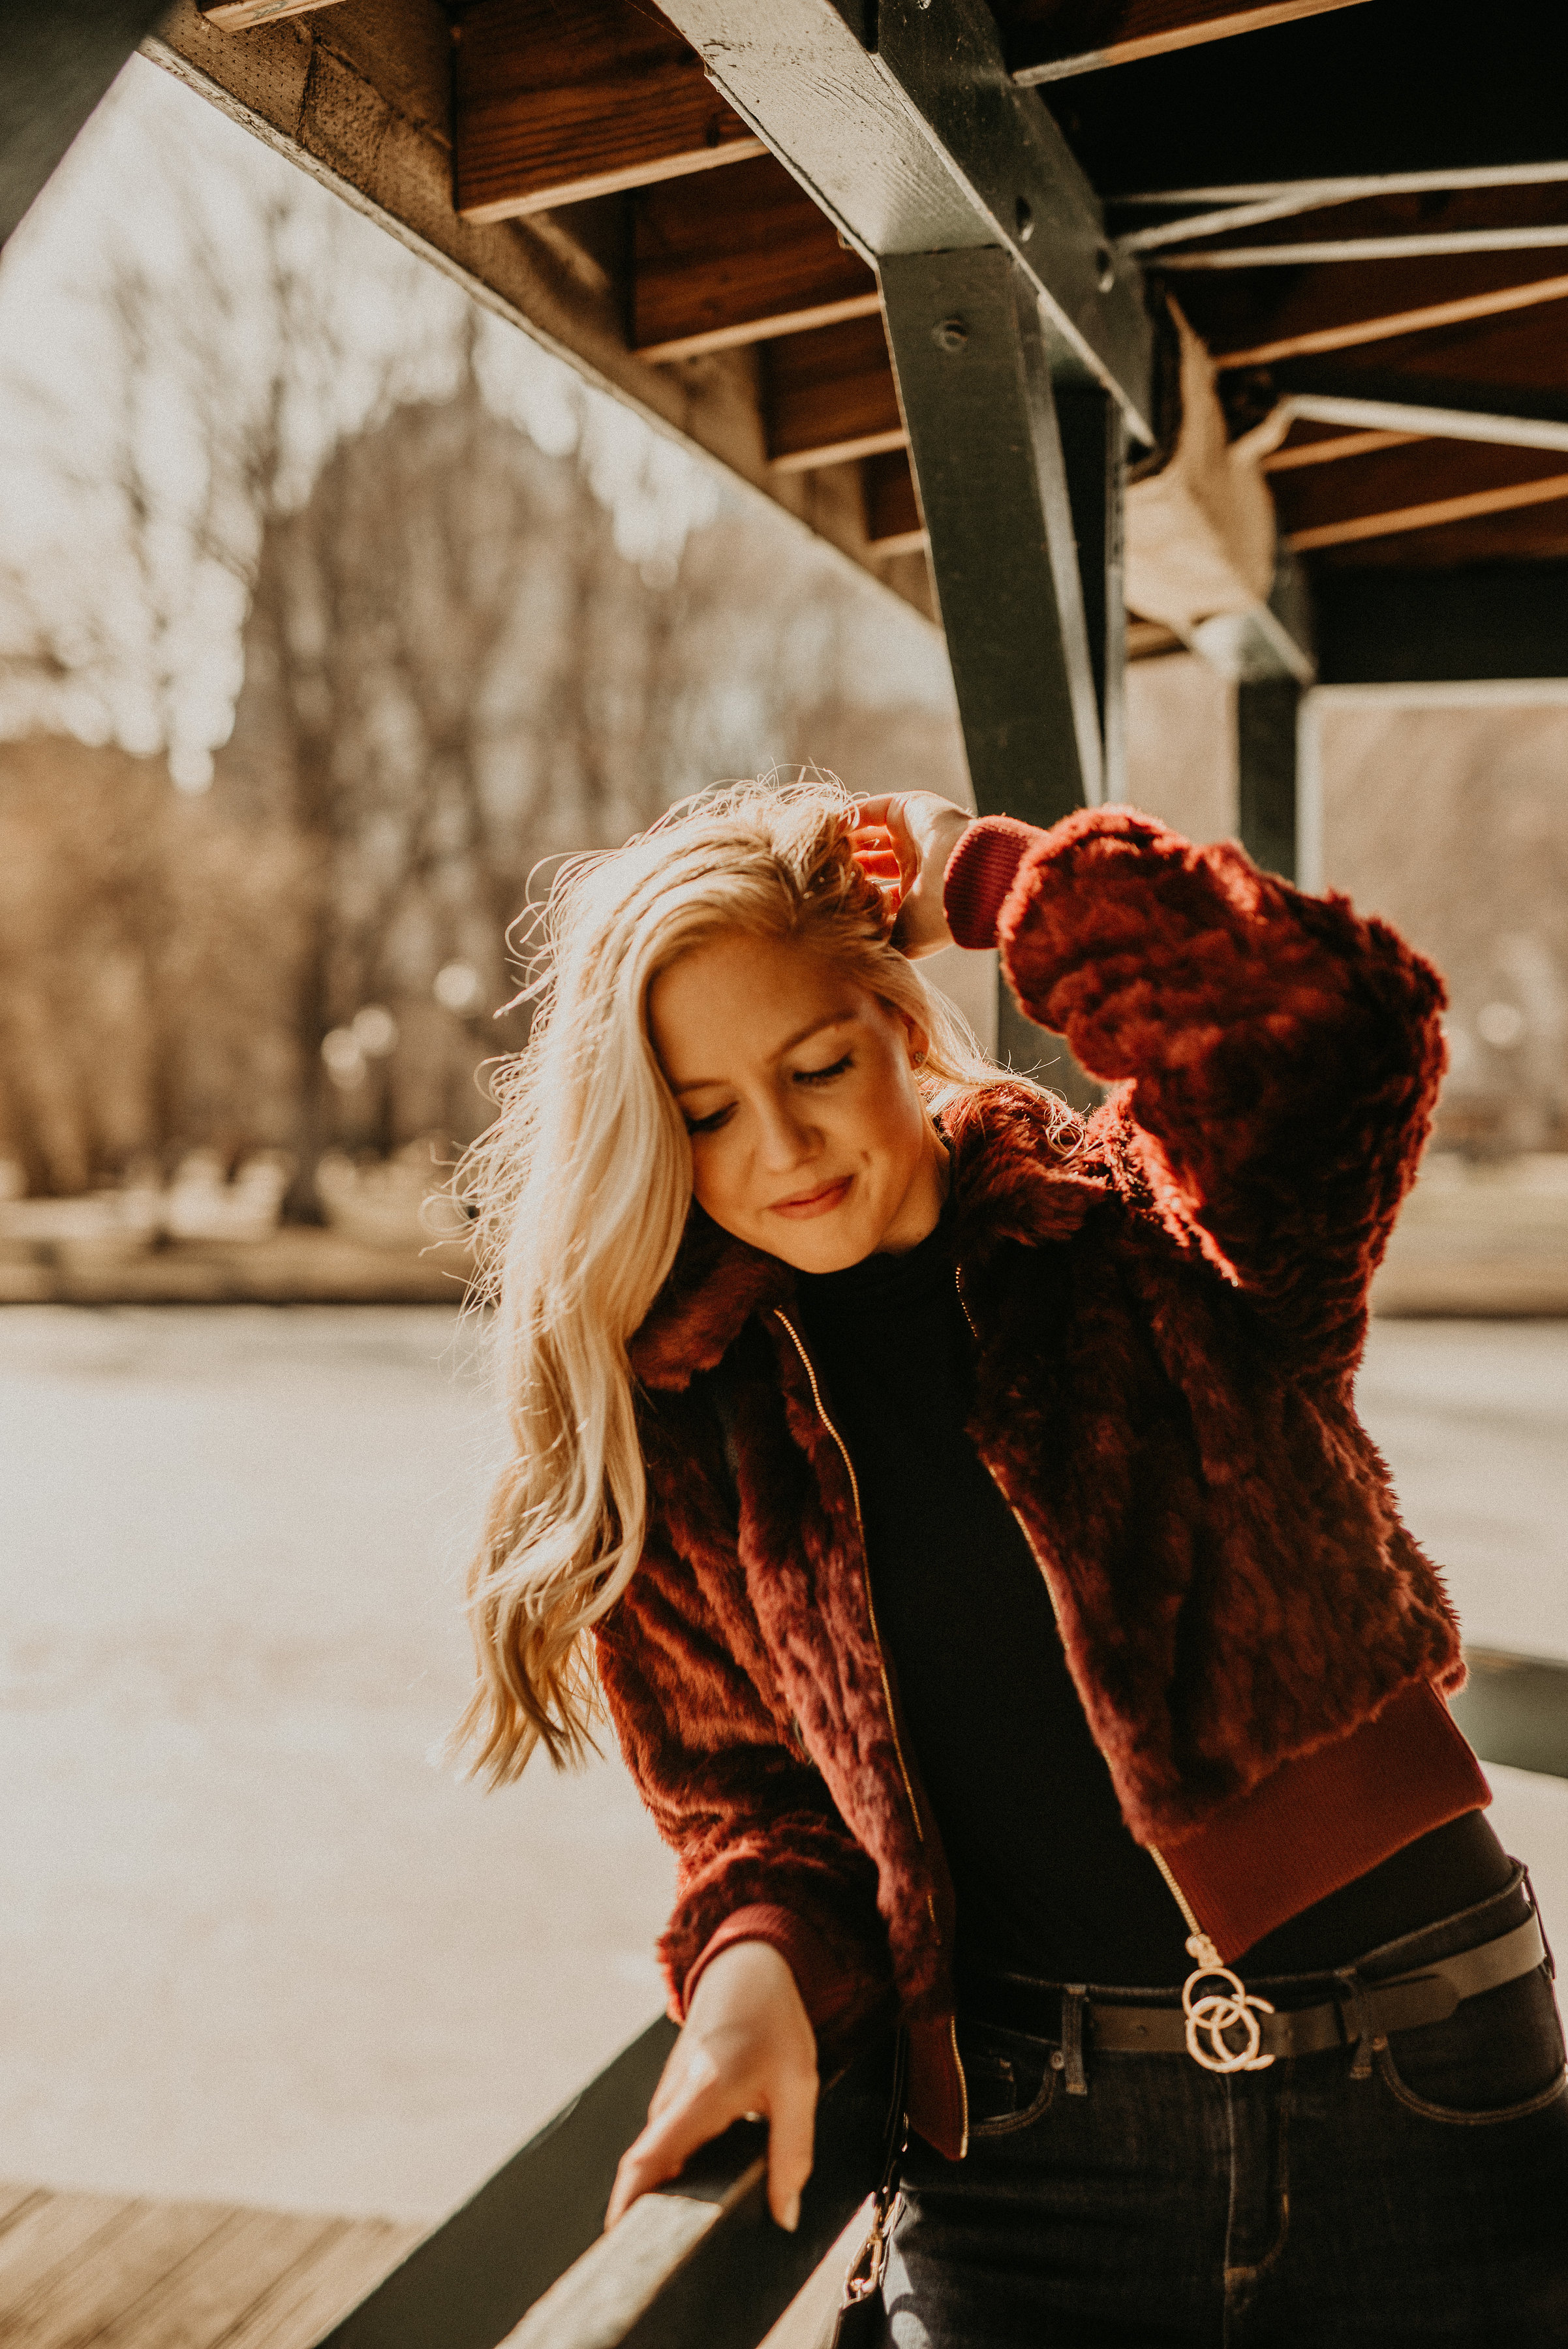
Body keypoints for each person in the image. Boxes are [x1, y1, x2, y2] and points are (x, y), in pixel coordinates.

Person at [456, 778, 1568, 2346]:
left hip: (1421, 2087)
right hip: (1029, 2160)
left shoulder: (1156, 1241)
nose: (778, 1144)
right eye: (703, 1111)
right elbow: (753, 1820)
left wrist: (989, 877)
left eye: (816, 1064)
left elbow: (1342, 1026)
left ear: (902, 1025)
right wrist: (752, 1972)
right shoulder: (686, 1435)